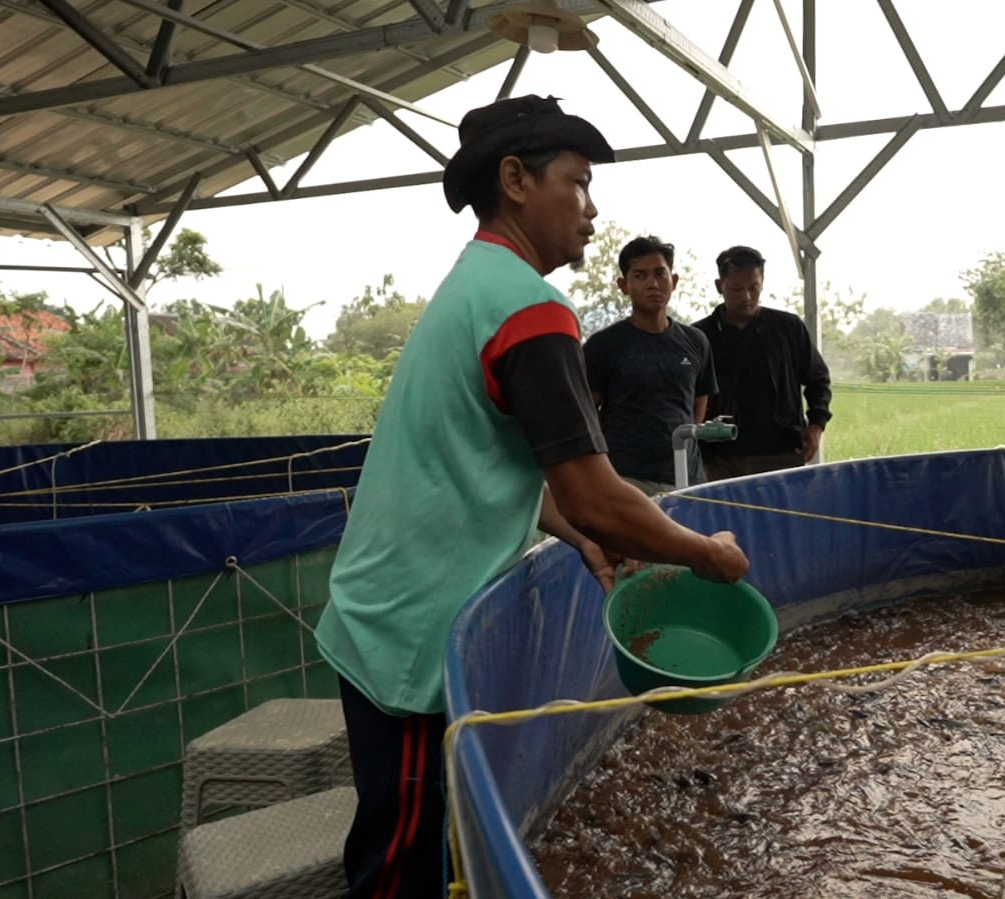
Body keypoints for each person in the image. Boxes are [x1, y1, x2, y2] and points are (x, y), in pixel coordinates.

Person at [314, 95, 749, 899]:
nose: (591, 210)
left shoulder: (477, 279)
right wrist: (706, 555)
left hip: (382, 606)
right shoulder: (531, 308)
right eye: (578, 184)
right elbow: (591, 492)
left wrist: (577, 536)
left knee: (406, 835)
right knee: (398, 865)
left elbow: (491, 463)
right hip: (412, 635)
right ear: (515, 180)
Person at [583, 236, 717, 494]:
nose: (653, 284)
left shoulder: (696, 341)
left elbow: (699, 401)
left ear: (674, 281)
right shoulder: (604, 344)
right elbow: (588, 411)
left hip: (686, 476)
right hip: (627, 479)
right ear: (624, 285)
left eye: (660, 274)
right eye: (640, 276)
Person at [693, 246, 833, 479]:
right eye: (737, 289)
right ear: (720, 286)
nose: (746, 297)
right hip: (719, 457)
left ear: (762, 283)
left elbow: (818, 379)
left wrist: (816, 424)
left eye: (753, 288)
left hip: (782, 453)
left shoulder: (788, 328)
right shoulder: (699, 337)